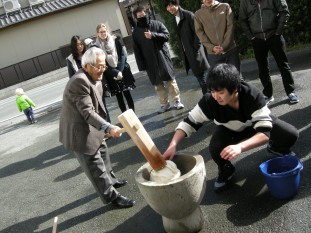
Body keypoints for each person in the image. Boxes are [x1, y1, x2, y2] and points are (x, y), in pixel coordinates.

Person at [163, 63, 299, 192]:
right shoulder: (209, 100)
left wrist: (240, 147)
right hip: (229, 129)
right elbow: (189, 122)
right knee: (215, 148)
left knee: (290, 134)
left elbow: (264, 132)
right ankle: (226, 170)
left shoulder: (252, 95)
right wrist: (172, 145)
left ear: (234, 89)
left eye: (220, 92)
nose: (215, 96)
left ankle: (275, 147)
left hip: (255, 125)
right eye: (212, 91)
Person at [59, 47, 135, 208]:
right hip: (78, 131)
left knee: (103, 153)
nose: (102, 70)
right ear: (86, 66)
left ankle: (112, 181)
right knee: (95, 166)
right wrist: (108, 127)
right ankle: (112, 197)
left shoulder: (94, 75)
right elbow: (87, 112)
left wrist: (103, 127)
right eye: (99, 66)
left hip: (91, 125)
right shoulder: (79, 81)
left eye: (104, 66)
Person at [239, 0, 299, 104]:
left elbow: (284, 11)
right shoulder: (245, 1)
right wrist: (251, 36)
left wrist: (279, 31)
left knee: (283, 65)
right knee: (262, 68)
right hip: (257, 39)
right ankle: (268, 94)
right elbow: (243, 19)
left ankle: (291, 92)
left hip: (274, 35)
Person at [132, 6, 185, 114]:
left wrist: (153, 35)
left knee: (170, 80)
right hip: (149, 61)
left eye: (143, 15)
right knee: (158, 84)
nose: (142, 17)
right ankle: (164, 104)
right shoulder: (136, 32)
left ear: (146, 13)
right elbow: (137, 50)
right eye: (139, 16)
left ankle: (177, 100)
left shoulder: (157, 24)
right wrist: (141, 66)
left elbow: (167, 36)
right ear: (136, 18)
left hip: (162, 57)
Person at [165, 0, 210, 95]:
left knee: (202, 77)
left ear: (176, 4)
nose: (169, 8)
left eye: (171, 5)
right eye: (167, 6)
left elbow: (198, 33)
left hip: (195, 52)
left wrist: (195, 48)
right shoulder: (174, 20)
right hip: (187, 53)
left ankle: (208, 97)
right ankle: (208, 97)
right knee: (200, 77)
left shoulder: (188, 15)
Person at [194, 0, 243, 78]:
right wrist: (212, 48)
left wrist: (224, 46)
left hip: (230, 50)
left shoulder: (225, 7)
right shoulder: (198, 14)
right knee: (220, 82)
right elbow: (200, 33)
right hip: (213, 54)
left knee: (237, 79)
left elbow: (230, 26)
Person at [95, 23, 136, 113]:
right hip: (111, 74)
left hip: (122, 70)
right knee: (119, 96)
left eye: (104, 31)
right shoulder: (96, 47)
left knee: (127, 93)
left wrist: (120, 71)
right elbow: (102, 63)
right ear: (97, 33)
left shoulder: (115, 40)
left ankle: (133, 114)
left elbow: (123, 55)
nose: (103, 33)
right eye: (101, 32)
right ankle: (125, 116)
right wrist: (115, 72)